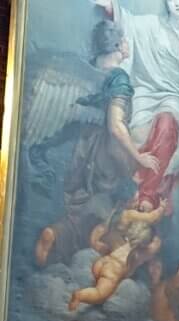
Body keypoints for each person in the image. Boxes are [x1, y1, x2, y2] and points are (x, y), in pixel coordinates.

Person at [34, 20, 159, 268]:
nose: (127, 45)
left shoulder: (91, 69)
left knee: (82, 205)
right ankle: (65, 241)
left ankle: (56, 236)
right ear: (117, 44)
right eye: (125, 40)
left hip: (82, 147)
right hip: (107, 151)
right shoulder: (119, 77)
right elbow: (115, 126)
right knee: (104, 210)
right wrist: (138, 157)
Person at [91, 0, 179, 211]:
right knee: (143, 123)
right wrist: (110, 6)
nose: (176, 4)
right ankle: (139, 182)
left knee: (169, 119)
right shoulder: (151, 25)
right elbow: (128, 22)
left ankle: (147, 194)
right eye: (171, 0)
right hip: (147, 92)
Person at [69, 200, 168, 310]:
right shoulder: (140, 253)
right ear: (146, 242)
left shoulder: (121, 239)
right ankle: (79, 296)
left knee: (98, 292)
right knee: (99, 295)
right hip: (113, 272)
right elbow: (157, 243)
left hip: (102, 262)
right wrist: (161, 211)